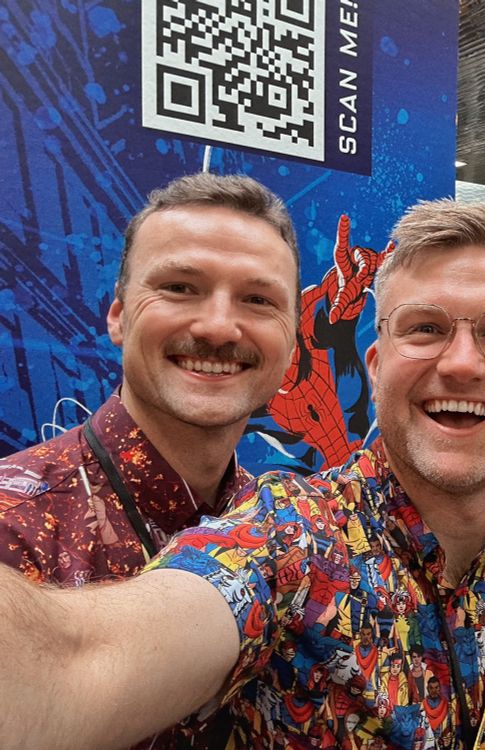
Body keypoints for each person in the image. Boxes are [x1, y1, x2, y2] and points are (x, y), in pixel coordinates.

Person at [0, 199, 485, 750]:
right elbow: (78, 663)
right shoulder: (292, 535)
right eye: (425, 329)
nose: (461, 363)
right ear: (375, 368)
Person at [0, 172, 300, 748]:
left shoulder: (286, 527)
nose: (217, 325)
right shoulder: (16, 522)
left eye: (258, 299)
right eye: (181, 287)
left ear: (290, 340)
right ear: (117, 315)